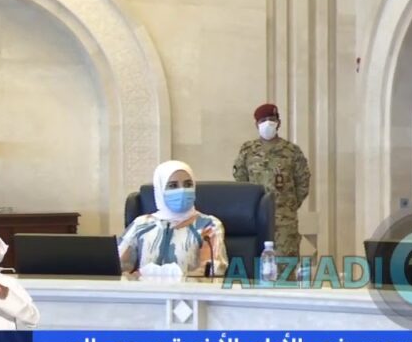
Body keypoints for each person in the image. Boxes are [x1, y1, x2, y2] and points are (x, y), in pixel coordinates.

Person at [119, 160, 228, 278]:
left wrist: (176, 277)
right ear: (160, 190)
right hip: (144, 289)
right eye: (173, 186)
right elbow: (116, 266)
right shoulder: (141, 224)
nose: (182, 190)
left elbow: (214, 269)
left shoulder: (208, 225)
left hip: (189, 289)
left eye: (188, 184)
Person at [232, 103, 311, 258]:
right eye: (263, 120)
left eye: (272, 119)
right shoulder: (248, 150)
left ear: (278, 122)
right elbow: (241, 181)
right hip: (255, 218)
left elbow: (303, 182)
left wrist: (288, 205)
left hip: (284, 222)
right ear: (256, 124)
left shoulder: (291, 151)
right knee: (256, 264)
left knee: (285, 265)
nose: (268, 123)